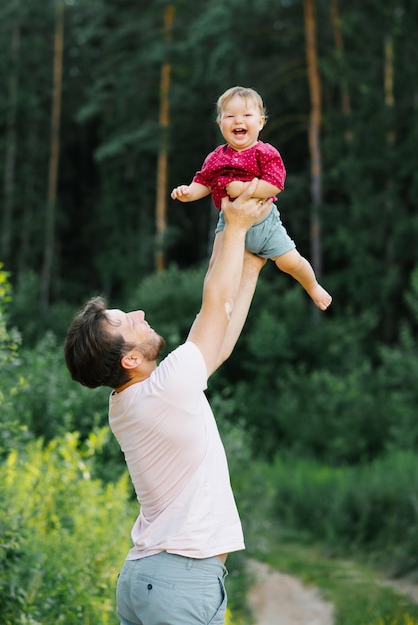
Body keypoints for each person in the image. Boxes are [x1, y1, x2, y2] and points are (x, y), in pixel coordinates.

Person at [64, 180, 269, 625]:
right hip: (180, 581)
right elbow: (213, 306)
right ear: (131, 357)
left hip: (148, 579)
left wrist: (249, 266)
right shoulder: (166, 390)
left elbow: (220, 340)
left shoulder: (133, 401)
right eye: (125, 321)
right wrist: (233, 229)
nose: (137, 314)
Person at [171, 86, 332, 311]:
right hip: (228, 223)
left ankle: (313, 286)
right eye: (230, 116)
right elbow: (204, 182)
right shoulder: (216, 157)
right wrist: (189, 193)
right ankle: (216, 307)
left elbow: (275, 185)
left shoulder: (265, 153)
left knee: (290, 262)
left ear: (261, 122)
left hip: (265, 225)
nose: (238, 121)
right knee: (216, 266)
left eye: (246, 115)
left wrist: (244, 188)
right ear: (220, 124)